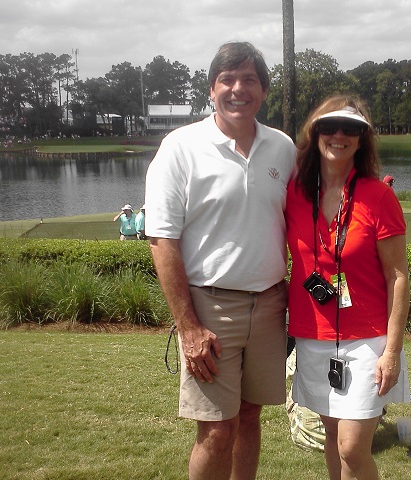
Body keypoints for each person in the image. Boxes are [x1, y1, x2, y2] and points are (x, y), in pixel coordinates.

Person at [144, 41, 296, 480]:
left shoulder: (282, 148)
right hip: (210, 308)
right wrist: (188, 326)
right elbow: (161, 239)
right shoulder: (180, 147)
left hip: (270, 304)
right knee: (216, 429)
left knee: (249, 417)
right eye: (227, 80)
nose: (237, 89)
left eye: (249, 80)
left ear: (263, 90)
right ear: (211, 89)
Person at [286, 95, 410, 480]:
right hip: (313, 335)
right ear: (315, 132)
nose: (339, 135)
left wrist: (392, 351)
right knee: (332, 437)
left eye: (351, 128)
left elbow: (398, 276)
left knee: (352, 447)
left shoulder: (378, 197)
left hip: (368, 340)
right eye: (329, 126)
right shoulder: (294, 193)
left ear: (362, 138)